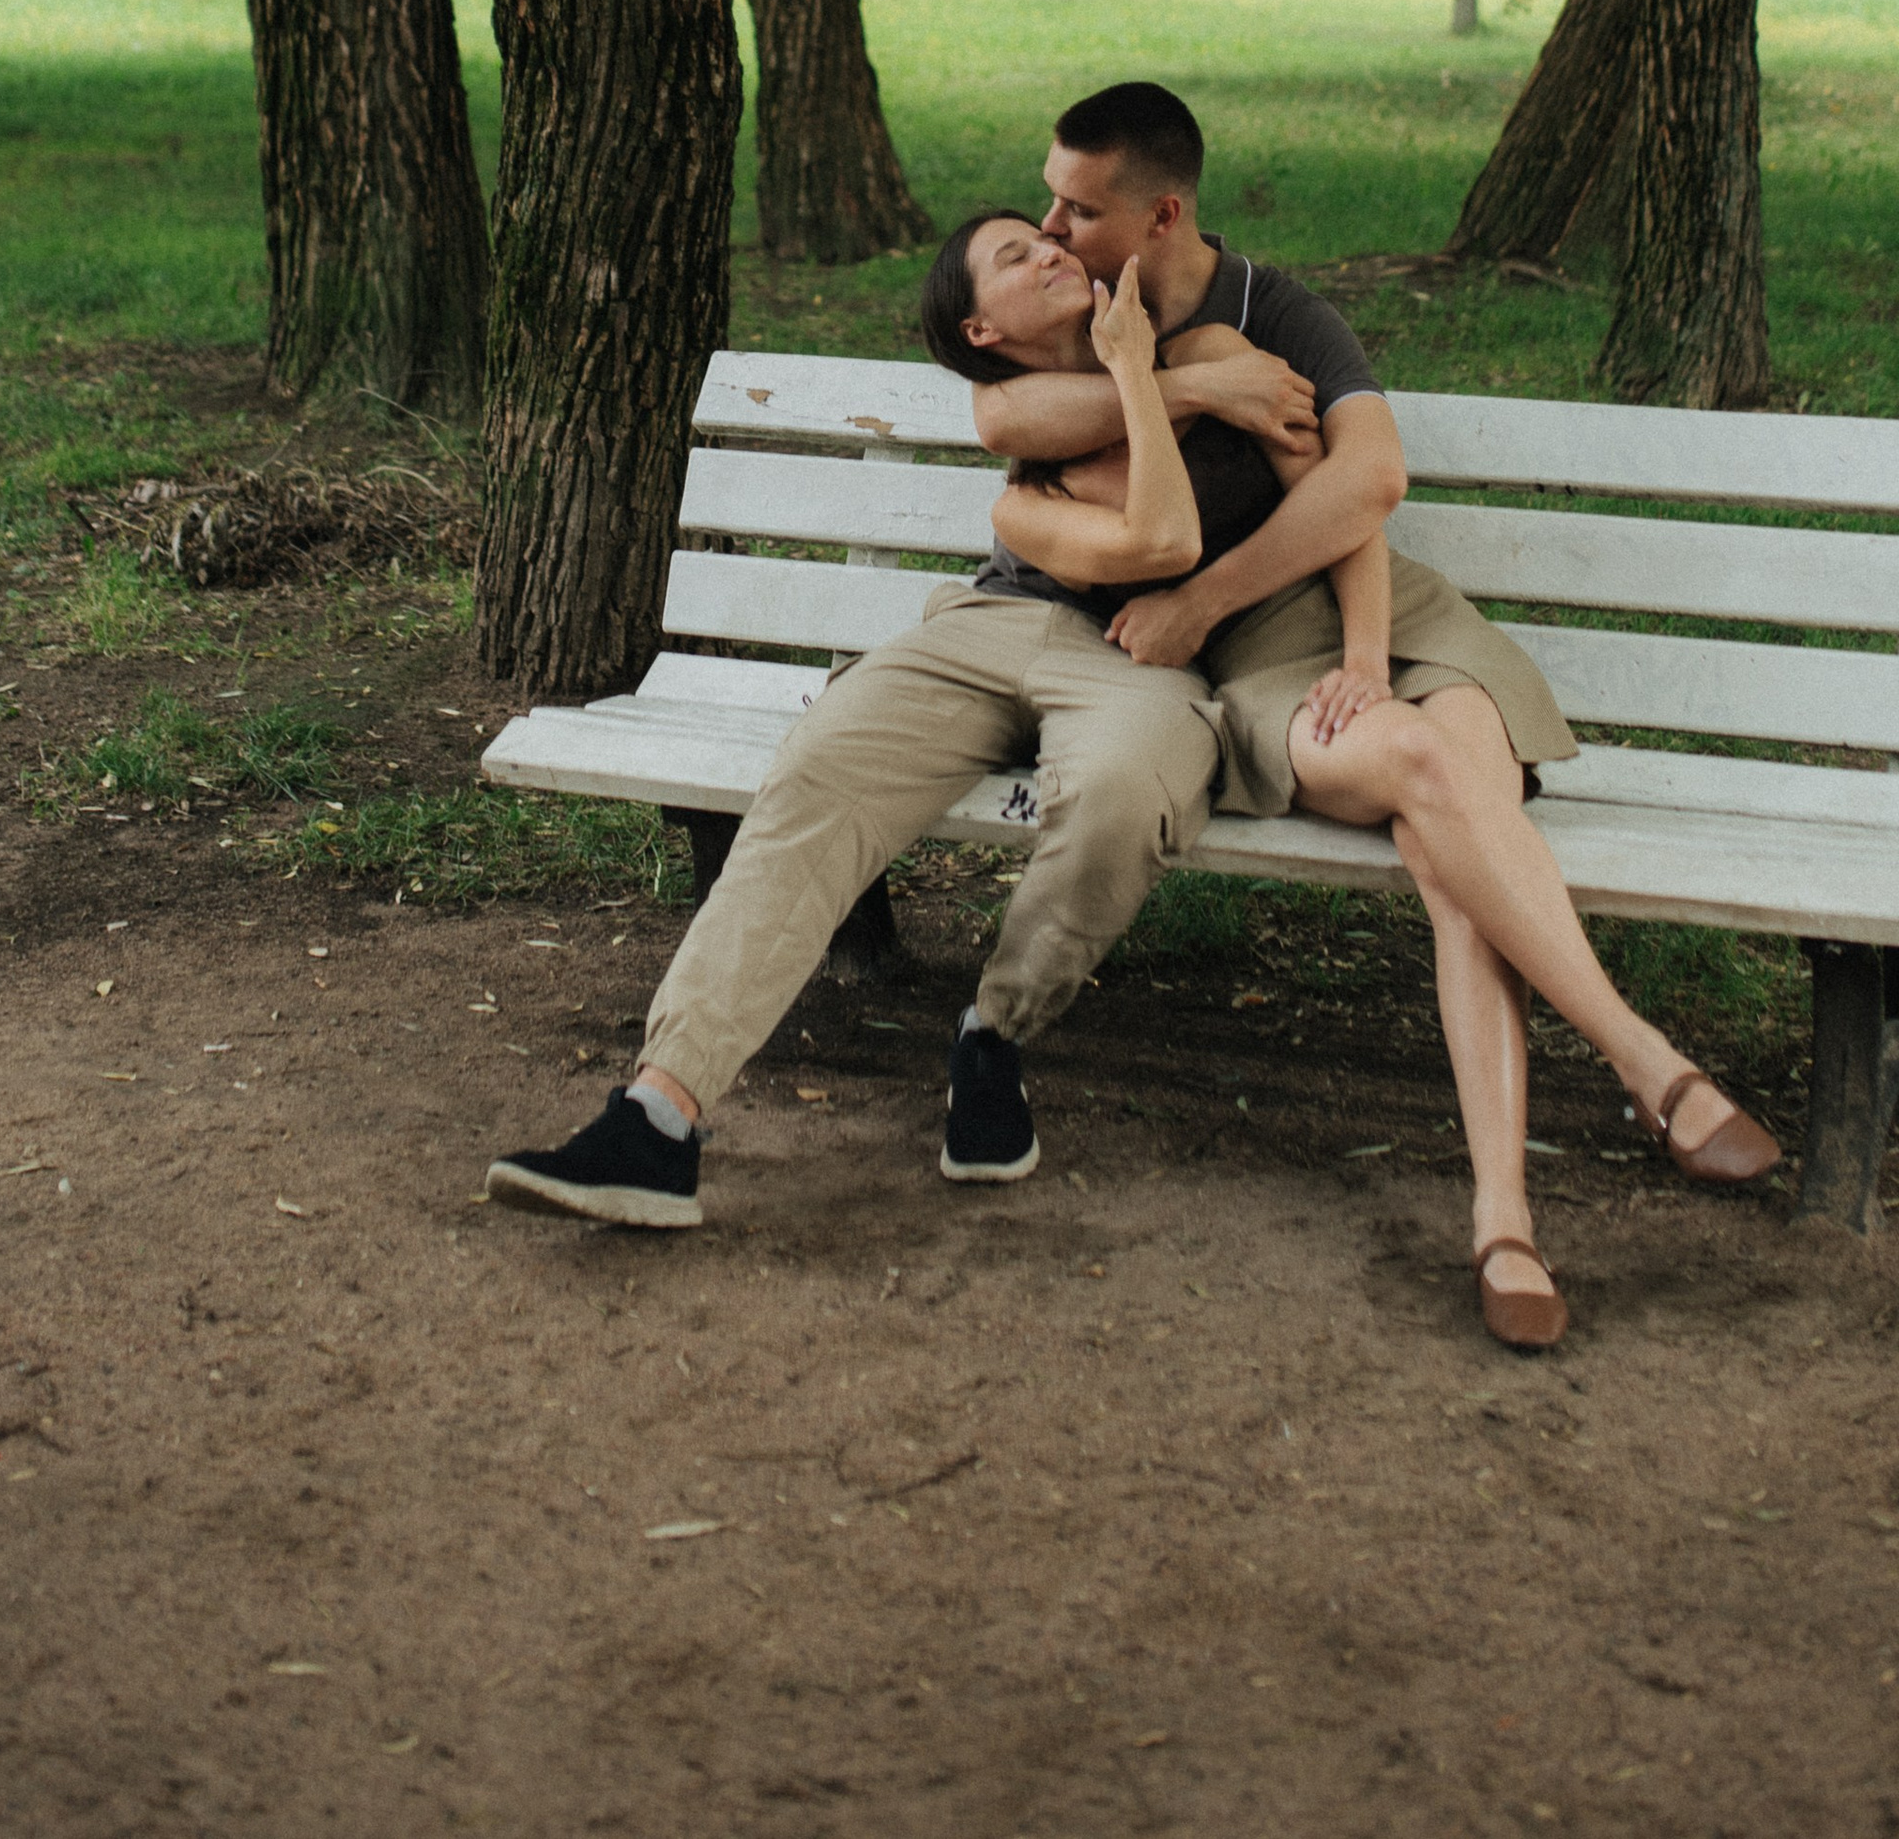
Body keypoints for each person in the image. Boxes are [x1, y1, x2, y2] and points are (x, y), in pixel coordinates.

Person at [961, 80, 1780, 1348]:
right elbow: (1005, 413)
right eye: (1048, 210)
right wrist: (1170, 427)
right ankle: (1644, 1065)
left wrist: (1358, 645)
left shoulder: (1265, 320)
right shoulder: (1095, 339)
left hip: (1390, 621)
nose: (1052, 231)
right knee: (1433, 787)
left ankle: (1507, 1216)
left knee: (1451, 836)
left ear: (1161, 212)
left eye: (1076, 210)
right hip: (1260, 674)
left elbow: (1361, 484)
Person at [483, 223, 1319, 1233]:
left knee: (1121, 794)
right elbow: (1068, 458)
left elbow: (1261, 482)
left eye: (1049, 237)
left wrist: (1159, 368)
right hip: (984, 628)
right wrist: (1157, 383)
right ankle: (657, 1116)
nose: (1051, 248)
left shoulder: (1187, 341)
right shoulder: (1017, 414)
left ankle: (991, 1036)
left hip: (1137, 658)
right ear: (980, 325)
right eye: (1015, 256)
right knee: (819, 770)